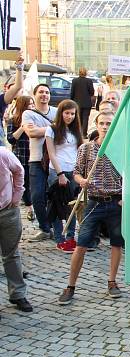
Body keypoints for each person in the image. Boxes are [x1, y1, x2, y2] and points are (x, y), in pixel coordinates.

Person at [56, 112, 124, 305]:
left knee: (116, 243)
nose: (104, 126)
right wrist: (81, 181)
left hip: (115, 201)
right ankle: (70, 286)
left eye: (109, 123)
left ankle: (112, 281)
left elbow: (129, 175)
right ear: (96, 124)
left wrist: (124, 198)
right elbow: (76, 172)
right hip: (93, 202)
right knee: (82, 244)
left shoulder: (120, 149)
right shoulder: (86, 148)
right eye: (101, 123)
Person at [45, 99, 83, 253]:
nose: (69, 116)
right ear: (61, 113)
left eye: (72, 114)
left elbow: (79, 151)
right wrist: (60, 173)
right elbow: (51, 153)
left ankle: (70, 237)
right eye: (67, 113)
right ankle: (59, 239)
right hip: (57, 170)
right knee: (56, 204)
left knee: (71, 206)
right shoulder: (52, 130)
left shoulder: (76, 130)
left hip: (72, 170)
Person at [23, 84, 58, 242]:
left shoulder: (57, 111)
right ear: (34, 94)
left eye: (47, 92)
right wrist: (53, 128)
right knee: (36, 195)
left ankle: (55, 227)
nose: (44, 95)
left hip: (55, 160)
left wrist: (41, 129)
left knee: (55, 196)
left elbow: (64, 130)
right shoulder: (28, 113)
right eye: (41, 92)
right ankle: (45, 228)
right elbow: (31, 133)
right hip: (36, 159)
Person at [0, 150, 32, 315]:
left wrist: (17, 195)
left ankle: (18, 294)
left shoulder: (3, 154)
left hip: (7, 210)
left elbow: (19, 170)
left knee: (11, 254)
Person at [7, 95, 33, 221]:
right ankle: (30, 209)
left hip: (36, 157)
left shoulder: (36, 119)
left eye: (33, 104)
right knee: (25, 184)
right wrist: (23, 127)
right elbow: (11, 139)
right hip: (21, 157)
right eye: (30, 104)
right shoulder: (14, 120)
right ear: (23, 106)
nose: (32, 107)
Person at [69, 67, 94, 138]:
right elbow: (92, 92)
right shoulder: (89, 81)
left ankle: (77, 133)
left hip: (77, 103)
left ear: (79, 72)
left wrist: (71, 101)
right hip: (87, 103)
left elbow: (72, 92)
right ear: (86, 72)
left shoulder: (74, 81)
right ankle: (84, 134)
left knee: (78, 118)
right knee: (85, 118)